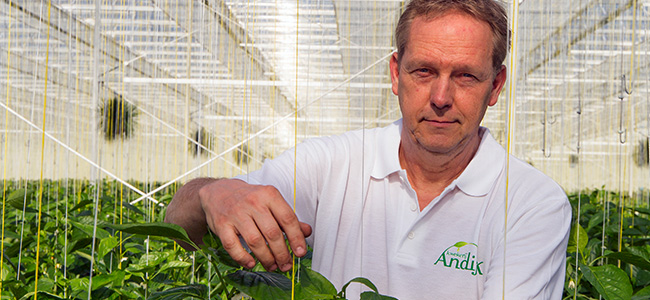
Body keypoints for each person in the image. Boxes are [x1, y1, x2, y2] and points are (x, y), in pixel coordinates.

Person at [164, 0, 572, 299]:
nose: (441, 97)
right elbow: (177, 228)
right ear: (397, 73)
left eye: (465, 76)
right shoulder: (331, 166)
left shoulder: (530, 203)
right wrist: (210, 196)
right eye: (424, 71)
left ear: (496, 86)